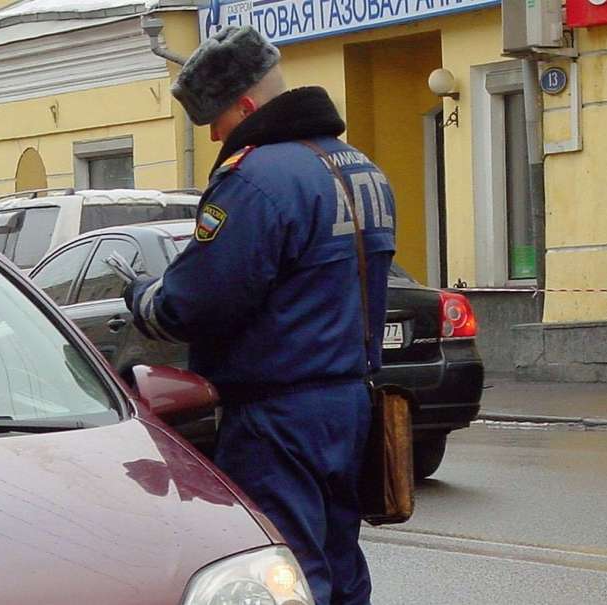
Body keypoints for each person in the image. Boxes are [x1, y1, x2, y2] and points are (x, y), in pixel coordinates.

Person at [123, 25, 396, 605]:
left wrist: (143, 297)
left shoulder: (255, 179)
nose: (216, 137)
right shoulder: (362, 169)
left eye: (217, 122)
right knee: (341, 559)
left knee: (288, 568)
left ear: (245, 105)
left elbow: (196, 302)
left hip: (276, 414)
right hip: (349, 402)